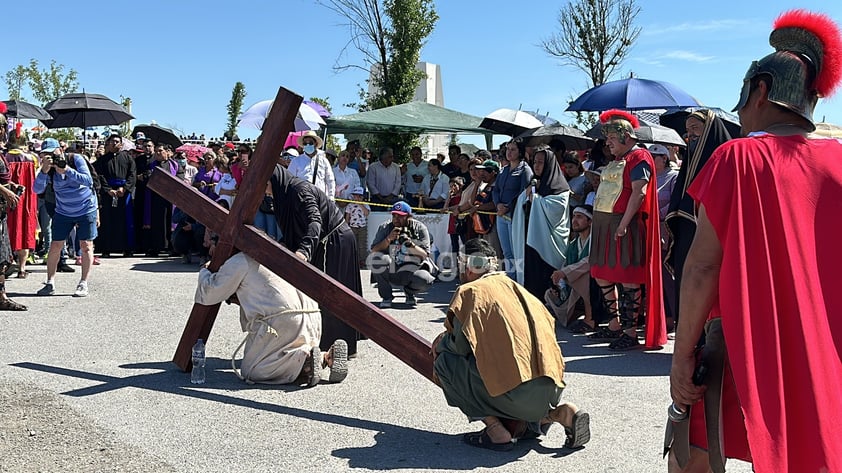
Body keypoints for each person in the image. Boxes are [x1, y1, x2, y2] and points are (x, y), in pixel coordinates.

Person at [669, 11, 842, 473]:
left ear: (761, 90)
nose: (740, 108)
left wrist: (682, 356)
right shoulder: (839, 161)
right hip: (823, 352)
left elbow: (703, 268)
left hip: (739, 349)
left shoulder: (737, 157)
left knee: (693, 456)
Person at [432, 238, 590, 451]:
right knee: (514, 374)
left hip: (516, 395)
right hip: (550, 391)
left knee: (445, 362)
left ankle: (496, 430)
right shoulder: (520, 290)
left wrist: (442, 343)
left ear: (468, 266)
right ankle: (557, 413)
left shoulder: (471, 292)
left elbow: (459, 347)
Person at [194, 243, 348, 386]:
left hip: (283, 320)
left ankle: (305, 362)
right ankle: (325, 357)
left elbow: (209, 293)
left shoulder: (241, 260)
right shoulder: (282, 253)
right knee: (295, 346)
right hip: (313, 316)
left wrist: (204, 271)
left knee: (253, 370)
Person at [587, 110, 666, 351]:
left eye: (611, 137)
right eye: (607, 137)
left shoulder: (639, 157)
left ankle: (631, 333)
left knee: (629, 278)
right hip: (604, 224)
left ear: (625, 135)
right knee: (602, 272)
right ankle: (614, 325)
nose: (607, 142)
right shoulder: (615, 160)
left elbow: (639, 192)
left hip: (625, 224)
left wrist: (623, 225)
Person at [270, 164, 362, 357]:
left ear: (275, 180)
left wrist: (304, 250)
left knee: (330, 293)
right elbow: (292, 229)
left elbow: (314, 221)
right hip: (327, 241)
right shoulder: (284, 195)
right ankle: (335, 345)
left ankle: (336, 347)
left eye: (265, 185)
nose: (265, 191)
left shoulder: (298, 190)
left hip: (334, 240)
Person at [664, 110, 731, 331]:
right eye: (687, 131)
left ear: (709, 132)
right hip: (687, 233)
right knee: (686, 281)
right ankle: (688, 339)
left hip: (711, 236)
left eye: (695, 129)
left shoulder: (724, 161)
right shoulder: (689, 163)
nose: (689, 136)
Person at [33, 139, 99, 298]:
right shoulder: (47, 169)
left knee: (86, 245)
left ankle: (83, 283)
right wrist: (43, 171)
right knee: (56, 245)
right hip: (63, 211)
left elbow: (88, 180)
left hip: (86, 208)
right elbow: (36, 189)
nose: (51, 157)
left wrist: (67, 170)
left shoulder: (75, 159)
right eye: (46, 154)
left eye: (53, 153)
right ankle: (50, 283)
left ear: (60, 150)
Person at [511, 145, 570, 300]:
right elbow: (521, 203)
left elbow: (556, 211)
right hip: (530, 240)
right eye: (535, 162)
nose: (536, 166)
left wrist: (535, 199)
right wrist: (527, 195)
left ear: (549, 164)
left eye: (541, 162)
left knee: (546, 277)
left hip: (547, 243)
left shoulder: (560, 188)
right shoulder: (534, 183)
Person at [369, 201, 435, 308]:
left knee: (425, 280)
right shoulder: (385, 227)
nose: (396, 219)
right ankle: (386, 297)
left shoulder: (420, 228)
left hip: (412, 269)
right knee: (377, 259)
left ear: (409, 217)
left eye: (400, 216)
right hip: (392, 268)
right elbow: (374, 250)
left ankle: (409, 292)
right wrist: (388, 239)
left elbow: (424, 255)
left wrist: (410, 244)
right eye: (394, 215)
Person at [547, 205, 594, 331]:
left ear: (590, 221)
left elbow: (590, 261)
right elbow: (566, 265)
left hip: (595, 283)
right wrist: (559, 285)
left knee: (582, 278)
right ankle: (573, 314)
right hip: (574, 287)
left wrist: (564, 272)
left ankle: (590, 320)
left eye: (579, 217)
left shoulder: (595, 241)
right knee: (550, 294)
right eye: (573, 216)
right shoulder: (573, 245)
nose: (574, 220)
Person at [492, 139, 533, 279]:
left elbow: (523, 193)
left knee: (516, 251)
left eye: (513, 149)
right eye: (508, 149)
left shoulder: (525, 170)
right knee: (506, 251)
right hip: (501, 214)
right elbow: (496, 190)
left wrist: (508, 206)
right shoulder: (503, 170)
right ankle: (511, 277)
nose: (509, 152)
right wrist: (498, 204)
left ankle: (519, 281)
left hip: (514, 215)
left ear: (520, 151)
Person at [94, 134, 136, 257]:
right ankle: (106, 248)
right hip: (108, 193)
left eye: (117, 141)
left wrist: (125, 188)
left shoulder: (128, 158)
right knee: (107, 220)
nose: (114, 143)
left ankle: (127, 248)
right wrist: (108, 189)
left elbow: (132, 174)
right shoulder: (102, 160)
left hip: (124, 193)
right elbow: (99, 176)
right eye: (112, 141)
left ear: (121, 144)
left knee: (125, 221)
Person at [288, 130, 335, 200]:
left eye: (310, 143)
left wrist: (331, 197)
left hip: (319, 199)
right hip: (301, 198)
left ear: (315, 144)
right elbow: (289, 180)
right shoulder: (296, 161)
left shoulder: (324, 161)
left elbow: (330, 180)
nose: (307, 145)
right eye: (305, 143)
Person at [344, 186, 369, 268]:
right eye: (355, 196)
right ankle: (353, 260)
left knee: (362, 244)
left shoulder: (365, 205)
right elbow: (347, 217)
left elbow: (367, 213)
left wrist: (360, 205)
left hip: (362, 227)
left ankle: (362, 260)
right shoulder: (350, 205)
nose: (357, 198)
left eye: (359, 196)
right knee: (353, 244)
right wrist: (346, 227)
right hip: (352, 227)